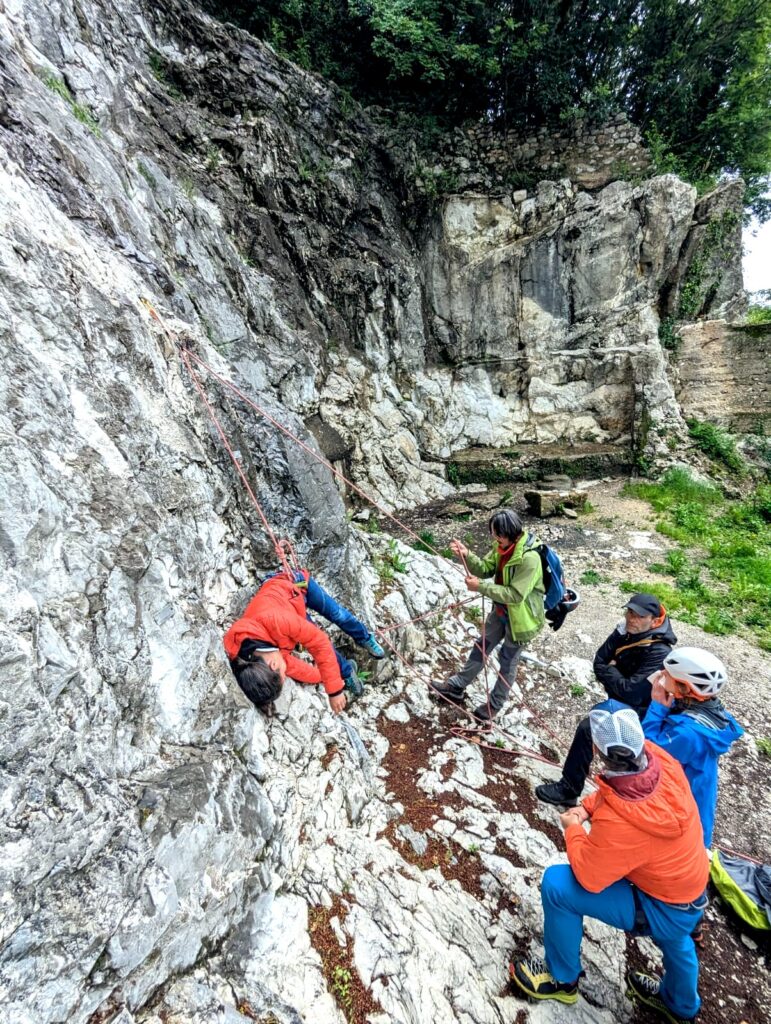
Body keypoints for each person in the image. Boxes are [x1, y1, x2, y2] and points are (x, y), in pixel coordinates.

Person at [510, 708, 709, 1024]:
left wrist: (573, 826)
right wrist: (587, 807)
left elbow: (589, 877)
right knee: (677, 940)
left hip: (661, 904)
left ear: (598, 751)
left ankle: (562, 979)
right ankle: (681, 1006)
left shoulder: (622, 822)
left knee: (558, 886)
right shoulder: (660, 760)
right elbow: (614, 791)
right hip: (692, 885)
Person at [535, 592, 676, 807]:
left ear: (655, 620)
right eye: (629, 612)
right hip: (622, 702)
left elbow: (632, 691)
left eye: (638, 615)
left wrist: (612, 670)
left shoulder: (660, 651)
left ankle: (573, 790)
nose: (631, 618)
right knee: (596, 736)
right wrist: (614, 674)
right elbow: (599, 660)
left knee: (596, 735)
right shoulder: (626, 629)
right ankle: (589, 795)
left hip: (639, 711)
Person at [431, 509, 545, 722]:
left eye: (495, 533)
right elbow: (485, 569)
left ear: (506, 534)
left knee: (507, 662)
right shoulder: (502, 547)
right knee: (481, 646)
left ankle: (494, 705)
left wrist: (481, 587)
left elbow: (515, 594)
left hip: (522, 620)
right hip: (501, 612)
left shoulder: (530, 559)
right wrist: (467, 555)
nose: (493, 537)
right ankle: (456, 686)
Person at [224, 568, 384, 713]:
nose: (286, 675)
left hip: (295, 585)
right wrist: (321, 677)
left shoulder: (275, 621)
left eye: (283, 676)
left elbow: (319, 643)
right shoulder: (256, 660)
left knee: (338, 615)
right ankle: (347, 672)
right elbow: (298, 669)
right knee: (321, 644)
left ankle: (364, 638)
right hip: (293, 611)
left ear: (273, 665)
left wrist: (334, 690)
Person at [643, 647, 744, 849]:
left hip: (681, 815)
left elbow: (650, 751)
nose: (661, 675)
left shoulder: (688, 734)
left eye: (666, 675)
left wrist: (657, 707)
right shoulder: (709, 711)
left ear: (685, 688)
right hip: (695, 799)